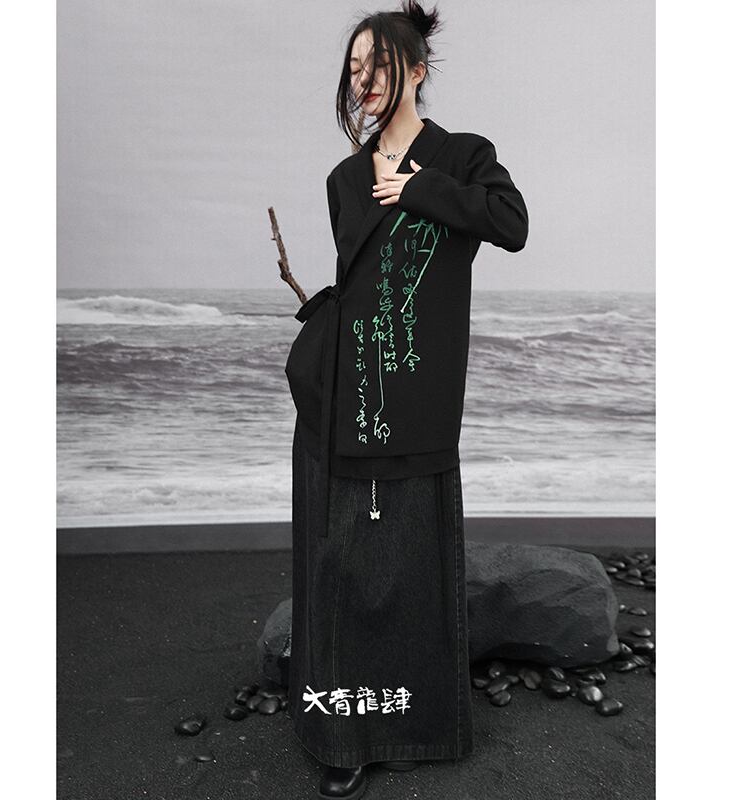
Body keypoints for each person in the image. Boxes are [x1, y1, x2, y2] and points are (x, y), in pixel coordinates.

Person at [284, 2, 528, 798]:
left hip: (420, 399)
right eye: (353, 68)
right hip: (342, 392)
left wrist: (420, 188)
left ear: (417, 70)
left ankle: (412, 727)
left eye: (378, 65)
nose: (362, 80)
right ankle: (344, 737)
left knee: (414, 562)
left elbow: (511, 223)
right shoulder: (342, 180)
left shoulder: (461, 156)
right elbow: (358, 283)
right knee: (341, 562)